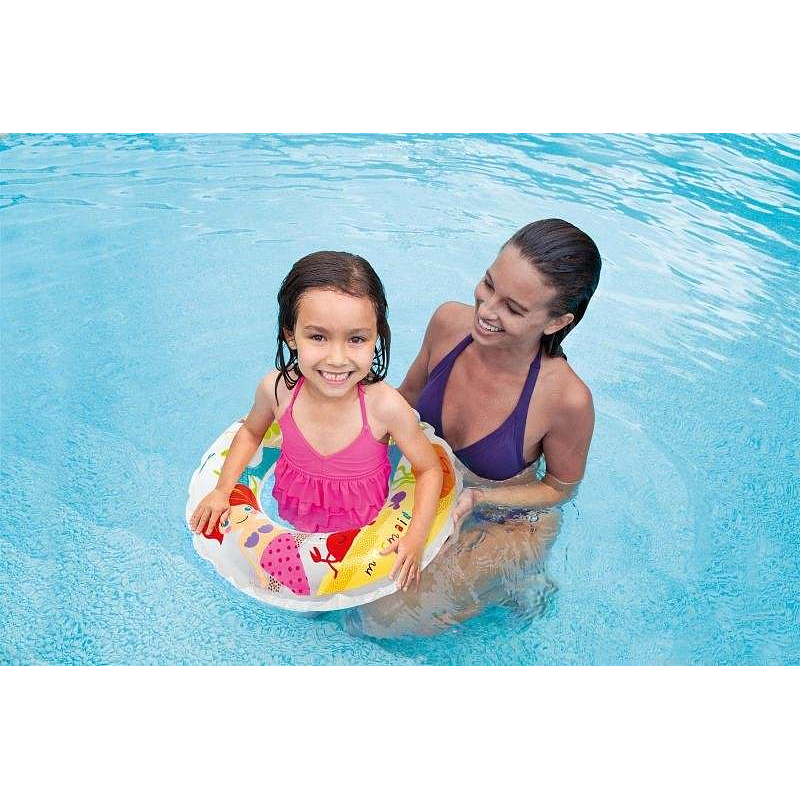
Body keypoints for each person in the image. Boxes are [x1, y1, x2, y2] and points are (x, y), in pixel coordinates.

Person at [350, 219, 601, 635]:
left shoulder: (565, 399)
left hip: (507, 520)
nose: (486, 311)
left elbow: (560, 489)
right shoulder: (448, 324)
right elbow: (405, 401)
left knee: (377, 620)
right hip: (431, 489)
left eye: (513, 309)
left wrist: (478, 499)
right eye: (488, 284)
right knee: (332, 581)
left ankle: (510, 583)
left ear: (556, 322)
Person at [189, 251, 443, 592]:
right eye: (318, 337)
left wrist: (416, 536)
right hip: (295, 507)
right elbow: (251, 432)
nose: (337, 359)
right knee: (296, 588)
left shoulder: (385, 407)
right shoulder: (278, 390)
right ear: (291, 335)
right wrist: (223, 490)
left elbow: (429, 469)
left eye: (356, 339)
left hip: (363, 521)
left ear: (376, 337)